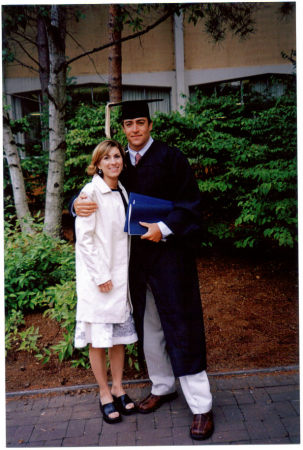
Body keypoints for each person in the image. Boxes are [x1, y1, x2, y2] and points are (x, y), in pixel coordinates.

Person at [73, 100, 214, 440]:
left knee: (181, 326)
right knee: (150, 327)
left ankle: (201, 406)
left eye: (140, 122)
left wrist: (163, 228)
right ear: (122, 129)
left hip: (171, 257)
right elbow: (96, 191)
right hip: (134, 264)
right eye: (128, 124)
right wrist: (74, 204)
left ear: (150, 125)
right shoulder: (122, 162)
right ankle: (163, 386)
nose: (134, 129)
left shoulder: (171, 158)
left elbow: (192, 206)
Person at [74, 139, 138, 425]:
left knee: (118, 340)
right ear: (97, 164)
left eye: (117, 156)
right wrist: (101, 276)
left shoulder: (121, 190)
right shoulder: (90, 193)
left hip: (119, 280)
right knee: (98, 341)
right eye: (107, 158)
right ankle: (104, 393)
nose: (114, 162)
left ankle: (119, 387)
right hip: (99, 281)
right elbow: (84, 241)